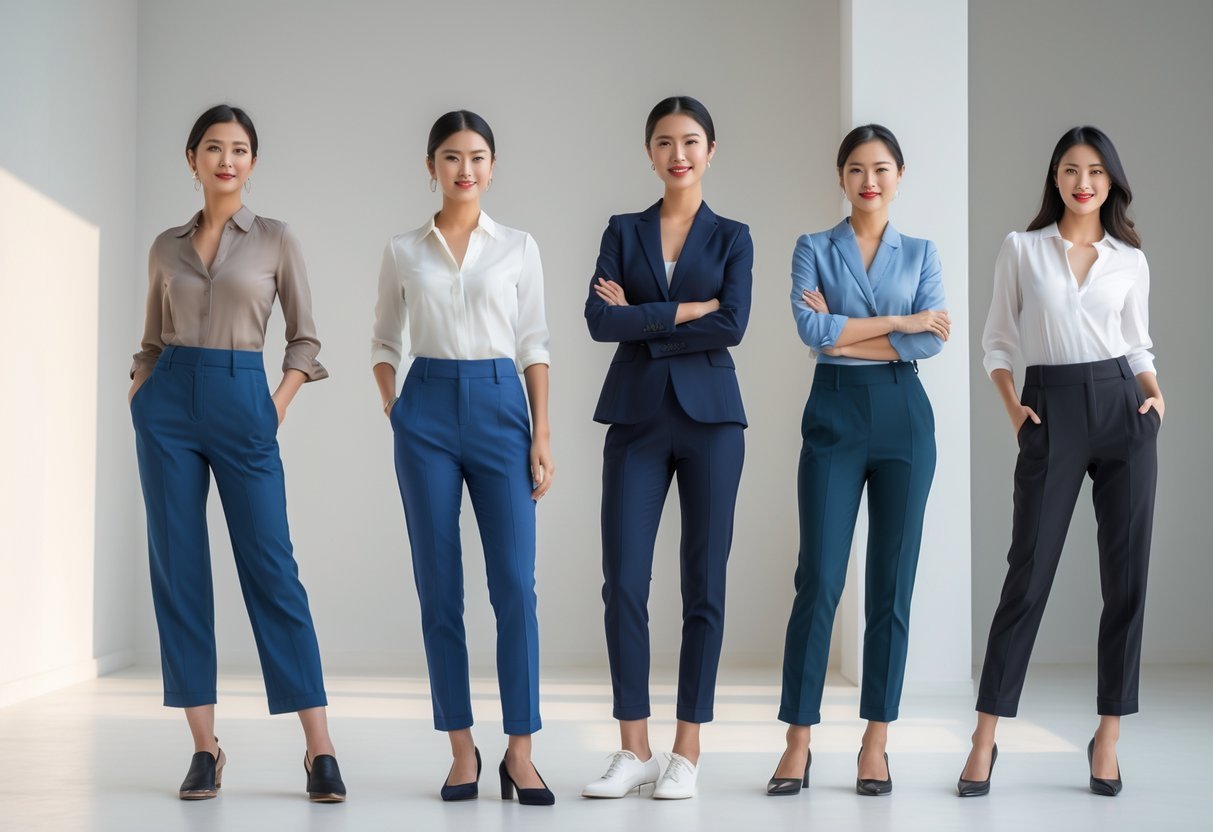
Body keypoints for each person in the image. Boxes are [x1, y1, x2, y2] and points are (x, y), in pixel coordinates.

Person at [129, 104, 344, 803]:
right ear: (191, 160)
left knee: (272, 568)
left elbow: (305, 339)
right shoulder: (166, 247)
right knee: (179, 569)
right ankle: (203, 748)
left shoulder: (276, 239)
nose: (227, 159)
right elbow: (153, 339)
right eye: (214, 148)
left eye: (240, 149)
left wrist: (275, 403)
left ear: (252, 162)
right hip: (169, 404)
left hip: (243, 396)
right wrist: (141, 389)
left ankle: (319, 750)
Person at [958, 126, 1162, 798]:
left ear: (1111, 182)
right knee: (1027, 576)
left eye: (1096, 171)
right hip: (1049, 407)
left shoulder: (1127, 258)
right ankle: (984, 736)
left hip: (1120, 411)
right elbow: (995, 341)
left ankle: (1107, 735)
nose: (1083, 182)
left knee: (1125, 580)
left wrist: (1155, 398)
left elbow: (1136, 345)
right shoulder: (1022, 250)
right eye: (1071, 169)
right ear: (1054, 178)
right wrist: (1014, 407)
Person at [371, 110, 555, 806]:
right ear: (430, 166)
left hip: (500, 405)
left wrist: (541, 434)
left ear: (492, 165)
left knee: (514, 585)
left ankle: (520, 751)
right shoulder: (403, 249)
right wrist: (396, 408)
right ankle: (459, 749)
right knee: (438, 586)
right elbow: (383, 342)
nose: (465, 169)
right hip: (426, 409)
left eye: (477, 156)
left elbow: (534, 343)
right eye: (451, 157)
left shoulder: (517, 246)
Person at [767, 124, 950, 798]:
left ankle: (875, 741)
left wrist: (854, 335)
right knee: (817, 576)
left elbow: (929, 347)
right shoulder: (813, 247)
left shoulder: (921, 251)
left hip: (905, 418)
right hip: (834, 413)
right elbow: (812, 332)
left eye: (879, 168)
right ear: (839, 178)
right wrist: (901, 325)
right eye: (854, 169)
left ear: (898, 175)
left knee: (891, 586)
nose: (867, 180)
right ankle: (797, 739)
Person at [581, 95, 752, 801]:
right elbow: (597, 319)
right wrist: (686, 310)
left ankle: (685, 748)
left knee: (702, 585)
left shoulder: (732, 236)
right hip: (635, 419)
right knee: (622, 581)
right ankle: (633, 748)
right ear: (649, 154)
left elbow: (734, 323)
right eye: (663, 142)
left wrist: (640, 319)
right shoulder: (622, 229)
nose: (677, 153)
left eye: (690, 141)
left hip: (711, 421)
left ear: (711, 151)